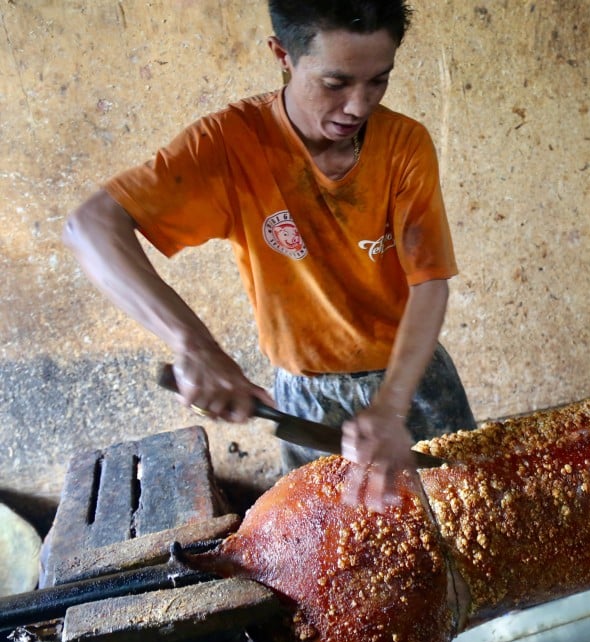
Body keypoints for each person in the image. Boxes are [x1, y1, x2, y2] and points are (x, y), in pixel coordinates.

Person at [63, 0, 475, 508]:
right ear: (282, 54)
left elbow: (429, 281)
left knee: (463, 524)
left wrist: (391, 408)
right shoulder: (231, 144)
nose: (358, 105)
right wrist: (194, 345)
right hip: (305, 399)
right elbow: (91, 226)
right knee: (334, 551)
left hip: (413, 378)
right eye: (336, 83)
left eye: (378, 81)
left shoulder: (404, 145)